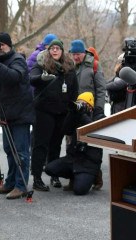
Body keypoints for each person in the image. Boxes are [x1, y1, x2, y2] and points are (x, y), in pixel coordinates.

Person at [0, 32, 35, 199]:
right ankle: (10, 182)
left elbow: (14, 77)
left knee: (20, 151)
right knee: (9, 149)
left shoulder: (17, 59)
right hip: (6, 113)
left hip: (20, 113)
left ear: (7, 45)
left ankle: (21, 185)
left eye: (0, 45)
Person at [29, 39, 79, 191]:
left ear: (62, 51)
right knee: (40, 145)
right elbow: (32, 79)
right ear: (49, 51)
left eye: (58, 48)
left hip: (61, 112)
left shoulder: (69, 69)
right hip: (44, 111)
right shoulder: (42, 64)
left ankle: (54, 175)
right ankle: (37, 178)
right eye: (52, 48)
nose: (55, 51)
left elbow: (74, 90)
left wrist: (72, 107)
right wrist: (41, 78)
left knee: (56, 145)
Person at [45, 92, 103, 195]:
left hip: (89, 161)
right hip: (73, 158)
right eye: (78, 103)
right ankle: (74, 176)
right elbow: (65, 130)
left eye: (83, 104)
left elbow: (92, 128)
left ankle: (96, 174)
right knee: (49, 169)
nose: (80, 106)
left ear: (90, 106)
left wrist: (83, 114)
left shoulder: (99, 116)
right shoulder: (77, 115)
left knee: (79, 190)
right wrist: (72, 113)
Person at [69, 39, 106, 190]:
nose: (75, 57)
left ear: (83, 53)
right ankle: (73, 177)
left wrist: (99, 110)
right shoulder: (72, 67)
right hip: (75, 111)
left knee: (92, 145)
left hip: (91, 112)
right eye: (73, 54)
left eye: (78, 54)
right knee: (72, 144)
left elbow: (101, 89)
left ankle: (97, 176)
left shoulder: (94, 66)